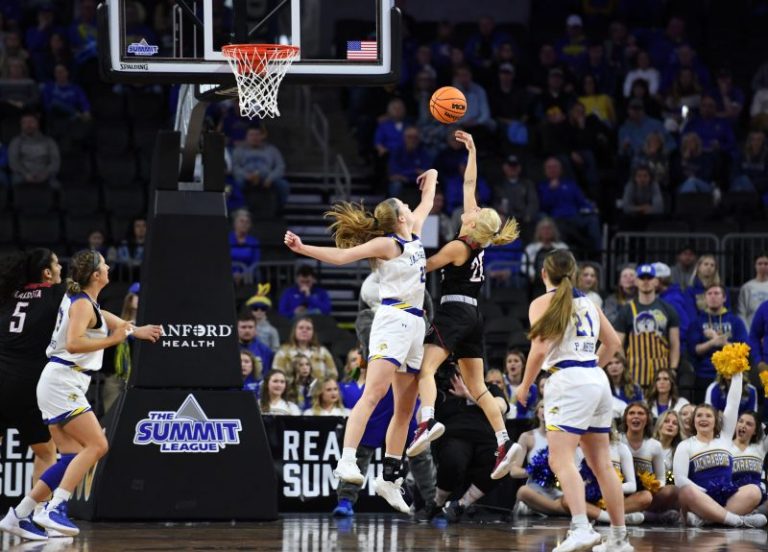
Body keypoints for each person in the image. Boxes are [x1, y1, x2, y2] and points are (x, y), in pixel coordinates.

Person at [284, 168, 437, 513]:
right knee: (373, 394)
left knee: (404, 408)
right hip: (392, 319)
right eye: (407, 208)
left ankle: (388, 477)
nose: (413, 210)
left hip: (415, 324)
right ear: (399, 216)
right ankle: (347, 461)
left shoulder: (412, 233)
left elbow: (427, 201)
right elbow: (341, 257)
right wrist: (302, 247)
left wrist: (434, 176)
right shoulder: (388, 243)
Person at [0, 250, 161, 540]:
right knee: (98, 445)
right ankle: (54, 507)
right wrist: (117, 338)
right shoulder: (80, 304)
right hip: (62, 379)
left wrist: (134, 330)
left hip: (57, 380)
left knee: (70, 455)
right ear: (96, 274)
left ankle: (20, 514)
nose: (110, 267)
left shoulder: (82, 301)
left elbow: (104, 318)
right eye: (104, 264)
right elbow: (74, 343)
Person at [402, 131, 520, 481]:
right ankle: (502, 441)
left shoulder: (459, 246)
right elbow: (470, 183)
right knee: (479, 386)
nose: (474, 207)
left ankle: (426, 420)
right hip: (474, 316)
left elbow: (426, 265)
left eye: (477, 211)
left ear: (473, 223)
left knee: (425, 370)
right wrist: (472, 149)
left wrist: (400, 251)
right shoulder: (479, 239)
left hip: (454, 311)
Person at [515, 249, 629, 552]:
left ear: (543, 274)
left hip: (568, 380)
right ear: (575, 273)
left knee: (560, 458)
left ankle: (581, 528)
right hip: (595, 377)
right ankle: (619, 539)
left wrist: (525, 385)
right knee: (602, 463)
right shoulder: (590, 302)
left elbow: (539, 351)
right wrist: (590, 371)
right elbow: (614, 342)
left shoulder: (542, 302)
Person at [0, 250, 63, 497]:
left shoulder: (7, 295)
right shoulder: (55, 294)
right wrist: (128, 328)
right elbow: (89, 311)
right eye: (57, 264)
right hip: (24, 383)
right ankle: (32, 516)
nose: (61, 267)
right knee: (46, 453)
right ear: (47, 273)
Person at [673, 371, 767, 528]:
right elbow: (679, 479)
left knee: (754, 490)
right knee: (686, 491)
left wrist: (737, 372)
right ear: (693, 421)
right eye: (699, 416)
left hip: (726, 496)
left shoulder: (724, 437)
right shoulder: (685, 445)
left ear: (716, 420)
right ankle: (738, 520)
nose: (703, 419)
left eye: (708, 416)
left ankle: (706, 520)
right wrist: (704, 492)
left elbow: (733, 403)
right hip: (700, 497)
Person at [431, 369, 510, 522]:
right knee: (453, 458)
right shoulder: (442, 390)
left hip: (487, 439)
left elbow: (500, 408)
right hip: (455, 436)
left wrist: (468, 394)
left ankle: (461, 505)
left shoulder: (491, 389)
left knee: (503, 463)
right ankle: (437, 502)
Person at [615, 264, 680, 387]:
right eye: (642, 278)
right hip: (634, 375)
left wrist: (672, 369)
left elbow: (675, 344)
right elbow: (619, 344)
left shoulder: (668, 309)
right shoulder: (626, 310)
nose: (646, 282)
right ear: (636, 282)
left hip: (661, 376)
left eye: (649, 278)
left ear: (656, 281)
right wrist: (625, 369)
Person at [688, 284, 749, 403]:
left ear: (724, 298)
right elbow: (693, 350)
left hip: (730, 375)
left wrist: (723, 342)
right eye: (709, 294)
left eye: (716, 293)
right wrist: (713, 342)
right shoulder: (697, 322)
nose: (713, 297)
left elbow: (744, 349)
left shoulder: (735, 321)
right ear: (705, 298)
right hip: (704, 374)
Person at [620, 402, 679, 520]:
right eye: (631, 413)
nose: (636, 416)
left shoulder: (658, 446)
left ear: (647, 420)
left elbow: (663, 478)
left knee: (672, 490)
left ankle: (642, 515)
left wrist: (654, 486)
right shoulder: (617, 441)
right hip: (620, 491)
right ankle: (640, 515)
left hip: (646, 494)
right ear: (625, 419)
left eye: (640, 413)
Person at [513, 401, 569, 517]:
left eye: (549, 406)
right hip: (534, 491)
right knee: (523, 491)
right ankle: (564, 512)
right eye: (542, 406)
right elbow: (514, 471)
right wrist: (536, 470)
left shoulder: (564, 438)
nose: (546, 410)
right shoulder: (527, 437)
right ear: (537, 412)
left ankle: (556, 510)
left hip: (557, 491)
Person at [231, 126, 289, 211]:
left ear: (262, 136)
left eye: (257, 135)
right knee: (237, 184)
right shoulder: (239, 150)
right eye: (251, 135)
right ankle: (238, 209)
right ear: (246, 137)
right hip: (246, 176)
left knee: (284, 185)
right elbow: (234, 167)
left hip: (267, 177)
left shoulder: (271, 149)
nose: (254, 137)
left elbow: (280, 166)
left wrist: (270, 178)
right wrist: (246, 176)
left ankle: (280, 209)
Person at [272, 316, 336, 381]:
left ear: (313, 333)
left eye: (308, 328)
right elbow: (276, 376)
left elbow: (333, 375)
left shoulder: (323, 351)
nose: (304, 330)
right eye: (301, 328)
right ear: (295, 331)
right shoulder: (283, 352)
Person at [8, 112, 60, 187]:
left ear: (38, 124)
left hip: (46, 173)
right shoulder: (16, 141)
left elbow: (55, 161)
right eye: (25, 123)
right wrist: (26, 174)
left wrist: (45, 174)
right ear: (21, 125)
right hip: (22, 174)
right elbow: (13, 162)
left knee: (55, 184)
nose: (28, 125)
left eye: (31, 122)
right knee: (15, 180)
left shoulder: (49, 141)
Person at [731, 411, 768, 511]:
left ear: (755, 431)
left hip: (757, 498)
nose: (743, 425)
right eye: (741, 421)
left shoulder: (761, 446)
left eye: (749, 424)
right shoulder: (725, 445)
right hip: (732, 496)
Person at [503, 350, 537, 420]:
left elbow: (533, 409)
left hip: (524, 423)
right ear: (506, 366)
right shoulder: (501, 383)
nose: (512, 364)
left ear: (523, 365)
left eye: (516, 361)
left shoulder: (531, 387)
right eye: (509, 361)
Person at [737, 252, 768, 329]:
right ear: (755, 266)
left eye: (766, 264)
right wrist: (747, 331)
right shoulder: (747, 287)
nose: (763, 266)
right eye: (760, 264)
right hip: (752, 328)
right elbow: (741, 313)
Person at [245, 284, 279, 351]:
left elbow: (275, 350)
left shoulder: (272, 331)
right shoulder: (243, 328)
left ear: (266, 311)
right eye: (255, 308)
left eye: (263, 308)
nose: (259, 311)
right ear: (250, 310)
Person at [652, 410, 683, 483]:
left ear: (678, 430)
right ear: (659, 424)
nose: (670, 425)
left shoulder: (680, 451)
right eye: (666, 421)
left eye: (675, 423)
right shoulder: (649, 445)